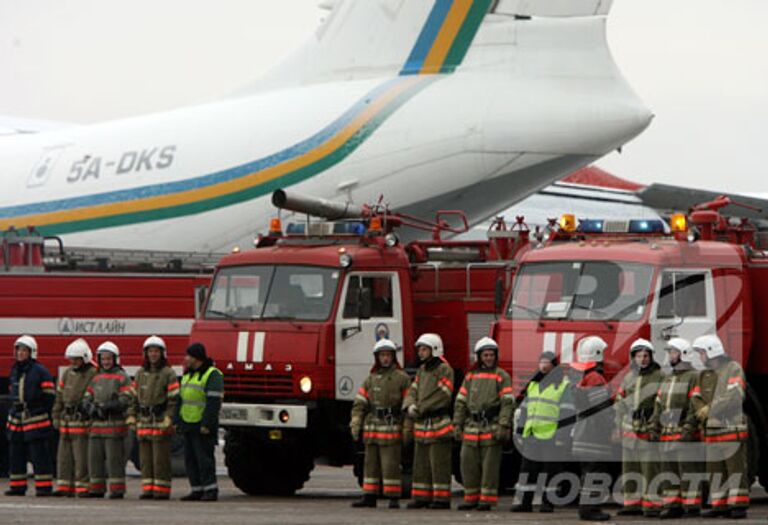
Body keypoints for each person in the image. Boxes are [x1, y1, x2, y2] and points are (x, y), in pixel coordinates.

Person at [453, 337, 515, 511]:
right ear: (479, 356)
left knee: (489, 468)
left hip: (491, 427)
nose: (488, 358)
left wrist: (504, 425)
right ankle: (471, 498)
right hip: (471, 427)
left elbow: (507, 403)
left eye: (491, 355)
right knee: (467, 464)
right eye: (485, 355)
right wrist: (457, 424)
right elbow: (460, 402)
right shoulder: (470, 376)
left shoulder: (501, 376)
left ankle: (486, 500)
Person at [691, 335, 749, 519]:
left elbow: (734, 395)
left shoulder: (733, 369)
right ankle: (719, 505)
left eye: (701, 353)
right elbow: (695, 397)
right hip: (712, 432)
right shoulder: (703, 375)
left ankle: (738, 505)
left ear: (710, 351)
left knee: (735, 469)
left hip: (731, 430)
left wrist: (709, 410)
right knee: (714, 470)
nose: (700, 357)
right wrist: (701, 410)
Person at [349, 338, 411, 509]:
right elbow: (360, 403)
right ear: (377, 357)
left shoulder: (402, 378)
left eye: (388, 355)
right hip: (372, 429)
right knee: (370, 464)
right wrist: (356, 422)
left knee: (391, 464)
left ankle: (393, 497)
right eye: (382, 355)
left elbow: (408, 403)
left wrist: (406, 428)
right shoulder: (371, 379)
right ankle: (369, 496)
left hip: (391, 428)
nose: (385, 358)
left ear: (393, 357)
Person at [511, 350, 573, 513]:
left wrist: (562, 436)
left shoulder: (563, 386)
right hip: (532, 434)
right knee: (527, 470)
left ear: (554, 366)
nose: (544, 366)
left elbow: (567, 412)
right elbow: (524, 409)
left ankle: (547, 503)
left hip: (551, 436)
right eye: (542, 362)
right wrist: (520, 430)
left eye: (547, 362)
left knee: (550, 471)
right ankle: (525, 503)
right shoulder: (533, 384)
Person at [649, 337, 702, 519]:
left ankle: (692, 506)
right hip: (666, 435)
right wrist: (654, 427)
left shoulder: (694, 377)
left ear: (684, 354)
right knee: (668, 472)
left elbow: (695, 406)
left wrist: (688, 429)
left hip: (683, 435)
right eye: (670, 352)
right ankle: (672, 505)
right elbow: (659, 405)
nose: (670, 356)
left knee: (687, 470)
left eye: (673, 352)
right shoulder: (668, 378)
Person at [402, 333, 454, 509]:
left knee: (438, 463)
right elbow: (412, 391)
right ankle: (421, 497)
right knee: (421, 464)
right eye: (420, 349)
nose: (421, 353)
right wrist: (409, 405)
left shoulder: (444, 370)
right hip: (422, 425)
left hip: (438, 424)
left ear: (435, 350)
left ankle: (441, 499)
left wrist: (421, 408)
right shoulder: (422, 371)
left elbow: (444, 395)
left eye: (424, 349)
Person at [613, 338, 664, 516]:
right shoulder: (628, 377)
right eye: (639, 356)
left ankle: (652, 505)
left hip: (647, 430)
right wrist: (617, 426)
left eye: (646, 355)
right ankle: (632, 504)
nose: (642, 359)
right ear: (633, 358)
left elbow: (662, 403)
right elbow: (619, 402)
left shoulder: (659, 376)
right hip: (629, 432)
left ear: (651, 357)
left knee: (650, 468)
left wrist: (655, 425)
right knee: (630, 469)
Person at [5, 335, 56, 496]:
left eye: (24, 350)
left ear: (31, 352)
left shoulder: (40, 371)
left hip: (35, 419)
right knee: (16, 453)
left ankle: (44, 487)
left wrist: (38, 410)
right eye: (18, 350)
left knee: (39, 454)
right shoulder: (15, 370)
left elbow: (49, 396)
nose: (20, 353)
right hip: (17, 418)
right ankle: (17, 486)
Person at [83, 341, 134, 499]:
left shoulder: (122, 376)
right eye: (103, 359)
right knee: (94, 459)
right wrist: (89, 407)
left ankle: (117, 489)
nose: (106, 362)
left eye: (109, 359)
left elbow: (126, 397)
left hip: (114, 425)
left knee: (114, 460)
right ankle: (96, 488)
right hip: (96, 426)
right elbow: (87, 396)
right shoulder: (96, 377)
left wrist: (108, 406)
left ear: (115, 359)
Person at [570, 336, 614, 521]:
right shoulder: (595, 378)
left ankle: (587, 507)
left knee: (587, 474)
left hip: (582, 434)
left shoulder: (582, 378)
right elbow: (602, 409)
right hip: (594, 437)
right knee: (595, 474)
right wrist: (612, 424)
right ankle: (590, 509)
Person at [134, 335, 180, 500]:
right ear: (145, 354)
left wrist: (169, 418)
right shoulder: (140, 373)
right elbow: (134, 398)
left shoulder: (168, 373)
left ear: (162, 354)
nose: (153, 355)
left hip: (160, 421)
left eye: (156, 351)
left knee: (160, 460)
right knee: (145, 460)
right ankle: (148, 489)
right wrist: (133, 417)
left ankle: (161, 490)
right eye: (150, 351)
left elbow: (174, 399)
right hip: (144, 422)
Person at [177, 342, 223, 502]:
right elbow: (181, 399)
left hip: (202, 425)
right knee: (190, 460)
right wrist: (179, 421)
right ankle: (196, 489)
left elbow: (213, 403)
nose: (185, 359)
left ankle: (210, 489)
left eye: (188, 355)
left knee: (204, 459)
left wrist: (207, 424)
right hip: (188, 423)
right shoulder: (188, 374)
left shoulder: (212, 374)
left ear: (197, 358)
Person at [52, 338, 97, 497]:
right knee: (64, 457)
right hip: (66, 421)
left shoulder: (92, 372)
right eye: (71, 359)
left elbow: (93, 395)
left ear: (85, 358)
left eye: (76, 359)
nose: (73, 362)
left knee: (81, 457)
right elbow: (59, 395)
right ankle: (64, 486)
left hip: (81, 421)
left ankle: (82, 486)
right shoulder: (67, 373)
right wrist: (56, 414)